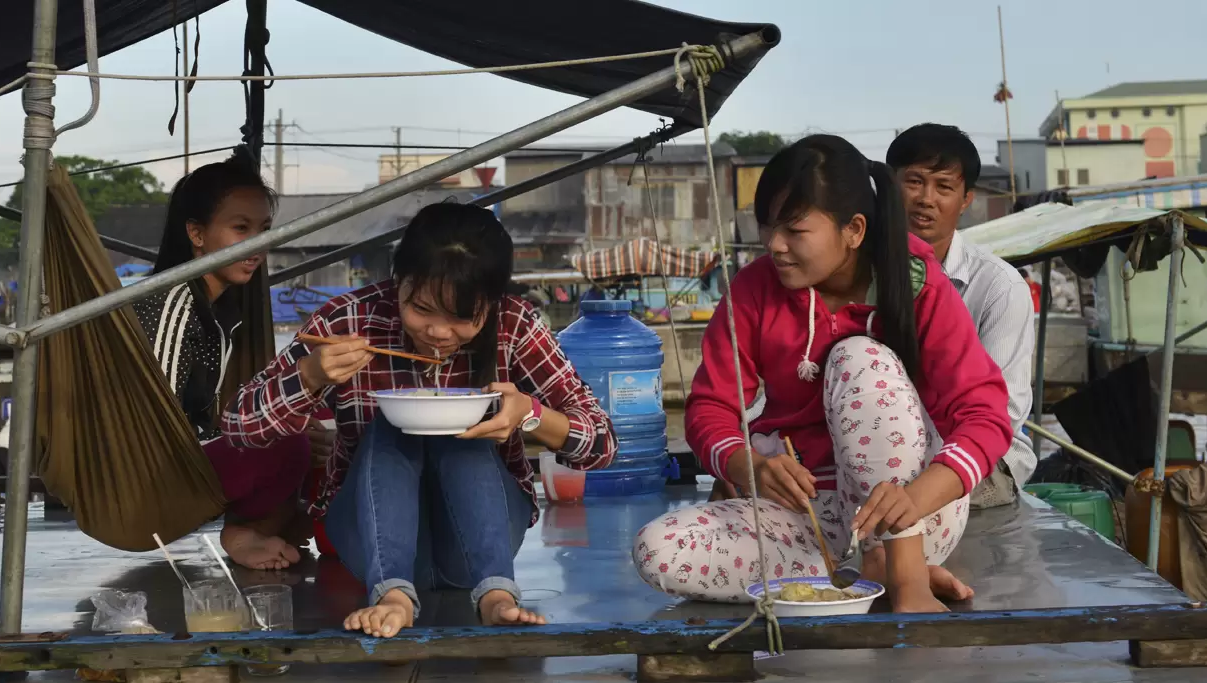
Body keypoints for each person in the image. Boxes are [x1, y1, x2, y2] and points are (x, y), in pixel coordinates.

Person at [632, 135, 1012, 612]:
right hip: (806, 519)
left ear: (853, 230)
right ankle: (859, 575)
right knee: (658, 549)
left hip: (915, 515)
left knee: (858, 358)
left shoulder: (920, 283)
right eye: (768, 226)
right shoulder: (753, 289)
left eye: (794, 229)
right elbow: (712, 408)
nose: (775, 245)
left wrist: (916, 498)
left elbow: (986, 415)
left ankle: (907, 575)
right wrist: (746, 465)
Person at [223, 202, 617, 638]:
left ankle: (496, 595)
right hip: (366, 539)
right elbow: (239, 427)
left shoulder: (516, 325)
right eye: (421, 309)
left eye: (463, 317)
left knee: (458, 425)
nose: (439, 333)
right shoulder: (349, 319)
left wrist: (530, 415)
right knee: (393, 421)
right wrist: (310, 375)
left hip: (482, 544)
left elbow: (602, 444)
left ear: (492, 301)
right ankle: (392, 596)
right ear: (399, 282)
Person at [132, 152, 312, 571]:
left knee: (310, 417)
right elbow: (156, 421)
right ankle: (242, 530)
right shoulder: (176, 302)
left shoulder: (220, 308)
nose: (257, 245)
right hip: (154, 475)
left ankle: (266, 526)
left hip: (188, 456)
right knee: (289, 433)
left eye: (264, 230)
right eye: (241, 228)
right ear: (196, 233)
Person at [886, 124, 1037, 507]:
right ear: (889, 186)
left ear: (966, 199)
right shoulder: (856, 273)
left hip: (981, 457)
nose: (925, 199)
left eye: (944, 187)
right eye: (914, 181)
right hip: (883, 446)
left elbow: (1003, 412)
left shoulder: (999, 287)